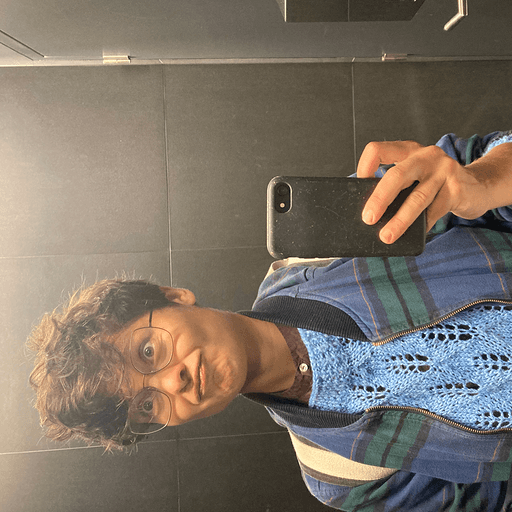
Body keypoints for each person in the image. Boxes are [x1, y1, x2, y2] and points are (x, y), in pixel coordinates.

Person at [28, 130, 512, 511]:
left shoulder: (320, 245)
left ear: (174, 297)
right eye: (147, 406)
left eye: (148, 352)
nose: (173, 382)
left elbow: (479, 166)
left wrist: (484, 180)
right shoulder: (338, 474)